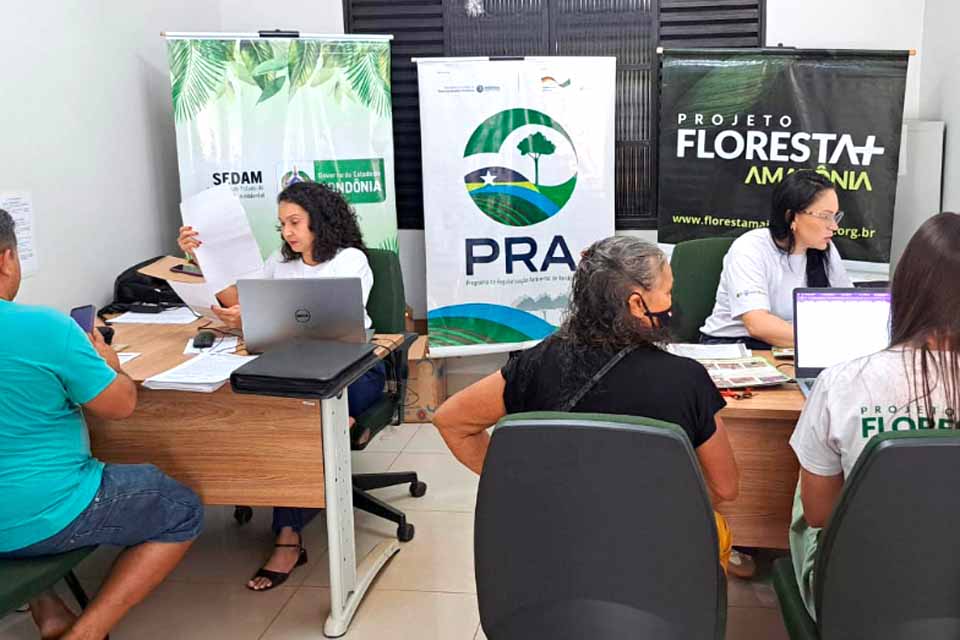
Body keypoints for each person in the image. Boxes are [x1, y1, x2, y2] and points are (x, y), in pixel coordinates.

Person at [433, 236, 740, 570]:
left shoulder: (536, 362)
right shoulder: (687, 380)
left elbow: (451, 420)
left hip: (557, 547)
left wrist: (518, 483)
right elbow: (726, 486)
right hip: (655, 554)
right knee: (719, 532)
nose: (671, 302)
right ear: (637, 305)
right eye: (667, 292)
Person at [0, 208, 202, 640]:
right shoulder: (45, 328)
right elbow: (120, 406)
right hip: (42, 509)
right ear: (6, 260)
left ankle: (50, 613)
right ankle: (85, 634)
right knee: (181, 509)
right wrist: (111, 366)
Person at [178, 181, 385, 591]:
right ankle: (294, 494)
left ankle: (287, 536)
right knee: (272, 420)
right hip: (291, 368)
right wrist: (200, 255)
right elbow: (234, 297)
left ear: (319, 221)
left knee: (299, 426)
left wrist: (254, 316)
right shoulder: (281, 260)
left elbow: (325, 323)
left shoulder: (349, 260)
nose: (288, 232)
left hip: (351, 369)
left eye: (295, 222)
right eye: (282, 224)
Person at [788, 211, 960, 618]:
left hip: (858, 590)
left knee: (809, 480)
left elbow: (820, 515)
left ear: (904, 289)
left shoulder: (841, 383)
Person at [700, 170, 853, 349]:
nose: (834, 226)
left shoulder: (825, 249)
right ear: (791, 217)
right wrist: (829, 342)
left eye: (835, 216)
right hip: (734, 344)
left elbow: (847, 306)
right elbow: (758, 325)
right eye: (825, 216)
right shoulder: (751, 248)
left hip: (792, 347)